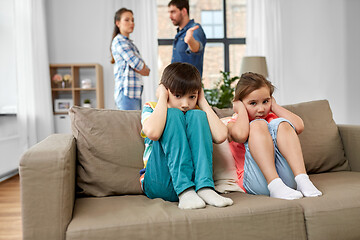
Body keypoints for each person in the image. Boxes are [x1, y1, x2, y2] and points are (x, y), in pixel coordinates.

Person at [140, 62, 233, 209]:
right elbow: (153, 133)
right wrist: (162, 99)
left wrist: (202, 101)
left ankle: (205, 188)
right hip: (160, 182)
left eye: (192, 96)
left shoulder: (196, 110)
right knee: (173, 114)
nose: (185, 103)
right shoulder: (152, 108)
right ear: (165, 90)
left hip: (195, 184)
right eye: (178, 95)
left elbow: (221, 136)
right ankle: (185, 191)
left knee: (197, 115)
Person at [227, 72, 322, 200]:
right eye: (253, 103)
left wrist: (275, 106)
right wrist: (241, 110)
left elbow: (299, 126)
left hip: (287, 181)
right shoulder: (233, 124)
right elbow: (241, 135)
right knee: (258, 124)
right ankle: (274, 185)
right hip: (256, 182)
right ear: (239, 103)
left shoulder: (273, 118)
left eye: (265, 101)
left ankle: (302, 179)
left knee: (281, 123)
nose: (261, 109)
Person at [110, 8, 150, 110]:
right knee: (130, 125)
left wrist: (143, 68)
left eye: (132, 20)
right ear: (118, 23)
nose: (131, 23)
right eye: (127, 20)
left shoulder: (129, 43)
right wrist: (143, 67)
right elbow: (138, 64)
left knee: (135, 125)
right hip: (127, 94)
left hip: (134, 94)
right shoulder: (119, 41)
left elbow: (144, 69)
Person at [168, 0, 206, 77]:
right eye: (169, 12)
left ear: (184, 11)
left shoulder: (195, 29)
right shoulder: (179, 33)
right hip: (177, 84)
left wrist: (190, 40)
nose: (170, 16)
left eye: (173, 12)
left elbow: (196, 48)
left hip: (188, 86)